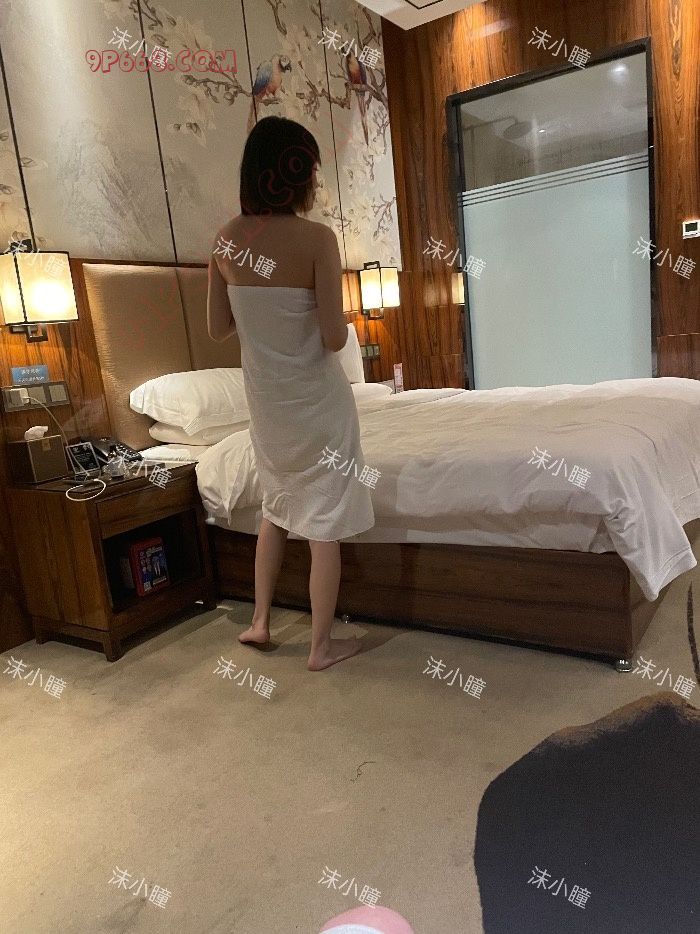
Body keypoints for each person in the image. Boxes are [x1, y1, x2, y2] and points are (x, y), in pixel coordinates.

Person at [207, 116, 375, 671]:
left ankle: (259, 622)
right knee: (324, 524)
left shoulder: (225, 241)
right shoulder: (317, 240)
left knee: (275, 509)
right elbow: (333, 338)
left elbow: (217, 327)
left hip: (269, 411)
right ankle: (320, 647)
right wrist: (338, 317)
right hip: (319, 408)